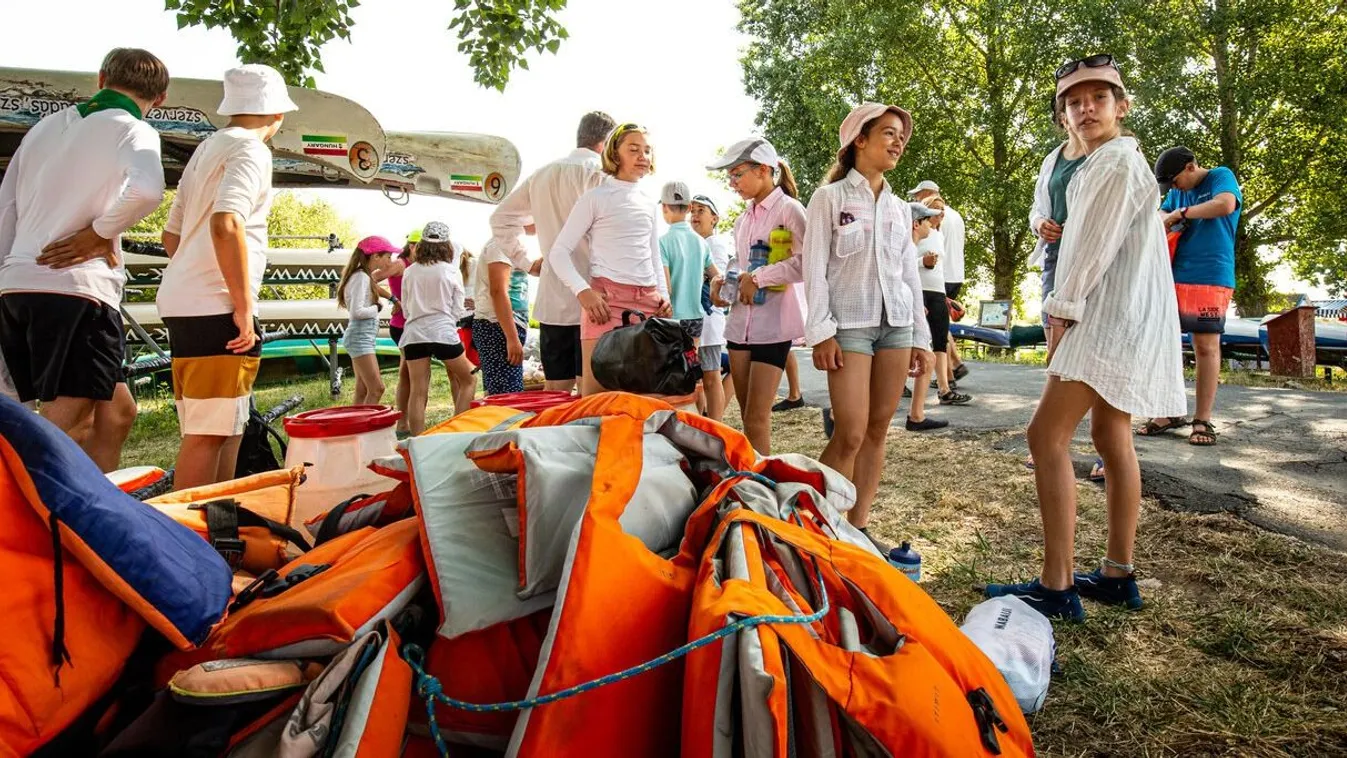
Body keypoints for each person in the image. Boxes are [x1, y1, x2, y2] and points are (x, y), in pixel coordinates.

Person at [983, 55, 1185, 621]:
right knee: (1111, 433)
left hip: (1107, 311)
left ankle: (1056, 585)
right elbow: (1045, 212)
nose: (1086, 107)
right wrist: (1040, 225)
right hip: (1087, 304)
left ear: (1121, 107)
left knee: (1045, 433)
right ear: (1061, 114)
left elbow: (1093, 249)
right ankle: (1118, 575)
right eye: (1074, 101)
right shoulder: (1061, 159)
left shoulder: (1118, 162)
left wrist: (1061, 314)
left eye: (1099, 97)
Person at [0, 48, 168, 471]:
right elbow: (148, 189)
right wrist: (99, 233)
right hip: (76, 289)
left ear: (100, 79)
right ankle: (39, 516)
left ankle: (103, 501)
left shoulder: (43, 128)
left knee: (118, 411)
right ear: (159, 100)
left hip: (19, 283)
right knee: (65, 425)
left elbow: (7, 208)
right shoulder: (134, 129)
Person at [157, 64, 296, 490]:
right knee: (207, 435)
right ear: (277, 114)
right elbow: (226, 223)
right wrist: (243, 306)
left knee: (228, 428)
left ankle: (219, 525)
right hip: (215, 304)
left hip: (186, 300)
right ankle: (184, 541)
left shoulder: (207, 149)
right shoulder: (252, 150)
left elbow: (171, 235)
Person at [803, 102, 933, 543]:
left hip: (896, 325)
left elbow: (909, 273)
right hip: (849, 326)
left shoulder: (899, 208)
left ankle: (857, 530)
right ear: (859, 138)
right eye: (889, 133)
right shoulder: (829, 198)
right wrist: (820, 331)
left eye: (902, 136)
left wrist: (920, 335)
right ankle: (813, 526)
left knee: (878, 429)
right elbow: (814, 267)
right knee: (851, 432)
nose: (898, 142)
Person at [486, 111, 616, 393]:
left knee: (555, 389)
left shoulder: (543, 174)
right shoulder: (604, 177)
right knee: (594, 393)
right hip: (597, 299)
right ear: (606, 143)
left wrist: (526, 261)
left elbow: (501, 219)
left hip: (554, 298)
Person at [548, 123, 672, 396]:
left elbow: (653, 253)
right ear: (615, 154)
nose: (643, 156)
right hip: (605, 303)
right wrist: (583, 292)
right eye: (634, 149)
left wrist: (663, 294)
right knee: (595, 397)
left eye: (647, 150)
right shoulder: (595, 198)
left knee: (644, 396)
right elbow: (558, 253)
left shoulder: (649, 202)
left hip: (648, 304)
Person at [706, 138, 806, 454]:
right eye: (729, 176)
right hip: (739, 327)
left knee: (757, 418)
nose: (731, 183)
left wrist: (759, 278)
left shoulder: (790, 209)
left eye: (737, 174)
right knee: (747, 419)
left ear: (763, 170)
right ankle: (753, 482)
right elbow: (741, 263)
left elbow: (806, 262)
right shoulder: (742, 218)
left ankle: (765, 489)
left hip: (773, 326)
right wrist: (724, 283)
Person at [1139, 146, 1242, 446]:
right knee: (1163, 343)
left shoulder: (1220, 177)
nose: (1173, 188)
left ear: (1190, 166)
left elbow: (1224, 205)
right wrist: (1164, 216)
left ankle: (1202, 419)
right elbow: (1160, 214)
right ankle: (1168, 412)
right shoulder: (1175, 193)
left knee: (1205, 346)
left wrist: (1180, 213)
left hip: (1210, 275)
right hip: (1172, 274)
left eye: (1174, 180)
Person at [1027, 103, 1103, 479]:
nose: (1078, 114)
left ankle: (1104, 450)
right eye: (1068, 110)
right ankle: (1055, 440)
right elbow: (1036, 206)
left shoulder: (1109, 156)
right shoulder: (1053, 159)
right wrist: (1040, 222)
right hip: (1056, 256)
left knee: (1097, 347)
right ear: (1062, 119)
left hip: (1095, 256)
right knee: (1055, 347)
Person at [400, 222, 476, 433]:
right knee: (469, 380)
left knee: (418, 390)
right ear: (447, 246)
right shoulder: (451, 271)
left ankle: (418, 440)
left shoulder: (410, 271)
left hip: (414, 333)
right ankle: (457, 431)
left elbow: (406, 308)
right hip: (443, 332)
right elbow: (458, 309)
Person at [659, 181, 720, 401]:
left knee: (670, 375)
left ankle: (679, 417)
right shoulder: (701, 243)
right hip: (695, 318)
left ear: (664, 208)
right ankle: (697, 416)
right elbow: (717, 276)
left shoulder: (663, 242)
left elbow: (665, 287)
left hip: (672, 319)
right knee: (692, 373)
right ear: (687, 208)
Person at [910, 179, 969, 382]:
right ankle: (951, 372)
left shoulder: (927, 223)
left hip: (937, 279)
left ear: (927, 194)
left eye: (918, 195)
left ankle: (949, 373)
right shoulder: (956, 217)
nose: (916, 198)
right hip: (951, 275)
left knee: (933, 331)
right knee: (937, 330)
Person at [905, 201, 952, 431]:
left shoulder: (913, 246)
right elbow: (899, 279)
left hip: (915, 309)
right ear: (916, 224)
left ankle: (916, 416)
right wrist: (912, 306)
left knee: (928, 359)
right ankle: (915, 416)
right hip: (901, 319)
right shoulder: (907, 249)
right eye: (927, 220)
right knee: (918, 361)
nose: (931, 225)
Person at [472, 222, 533, 395]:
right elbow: (498, 291)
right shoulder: (499, 246)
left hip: (505, 325)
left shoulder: (513, 246)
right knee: (506, 396)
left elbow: (535, 268)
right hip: (496, 326)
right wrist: (512, 338)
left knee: (502, 392)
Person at [338, 235, 398, 404]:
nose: (389, 261)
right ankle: (365, 427)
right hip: (360, 336)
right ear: (375, 256)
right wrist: (377, 308)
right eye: (387, 257)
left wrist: (391, 300)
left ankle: (354, 426)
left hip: (362, 335)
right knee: (377, 388)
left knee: (363, 389)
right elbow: (356, 312)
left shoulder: (363, 276)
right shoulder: (361, 277)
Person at [689, 194, 731, 420]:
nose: (694, 216)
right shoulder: (691, 243)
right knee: (697, 379)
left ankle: (717, 426)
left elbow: (718, 277)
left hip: (708, 319)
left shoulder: (715, 244)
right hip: (690, 318)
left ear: (714, 218)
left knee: (711, 377)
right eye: (692, 211)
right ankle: (700, 422)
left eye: (701, 211)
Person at [388, 229, 417, 437]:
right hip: (401, 326)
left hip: (410, 325)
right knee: (409, 375)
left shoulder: (415, 265)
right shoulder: (401, 263)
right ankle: (403, 423)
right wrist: (393, 300)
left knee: (407, 374)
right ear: (413, 246)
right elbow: (373, 277)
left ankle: (404, 422)